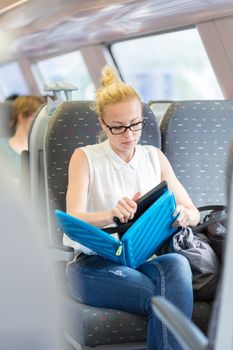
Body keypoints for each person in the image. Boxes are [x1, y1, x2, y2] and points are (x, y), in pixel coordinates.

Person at [65, 66, 200, 350]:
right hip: (94, 265)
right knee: (166, 299)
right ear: (103, 124)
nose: (129, 135)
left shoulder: (155, 157)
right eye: (118, 127)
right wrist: (111, 214)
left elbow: (193, 209)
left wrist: (186, 215)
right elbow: (72, 218)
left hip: (144, 260)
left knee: (177, 264)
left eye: (135, 124)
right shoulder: (85, 158)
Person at [0, 95, 44, 179]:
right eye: (36, 116)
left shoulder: (42, 149)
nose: (39, 122)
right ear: (22, 116)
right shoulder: (2, 147)